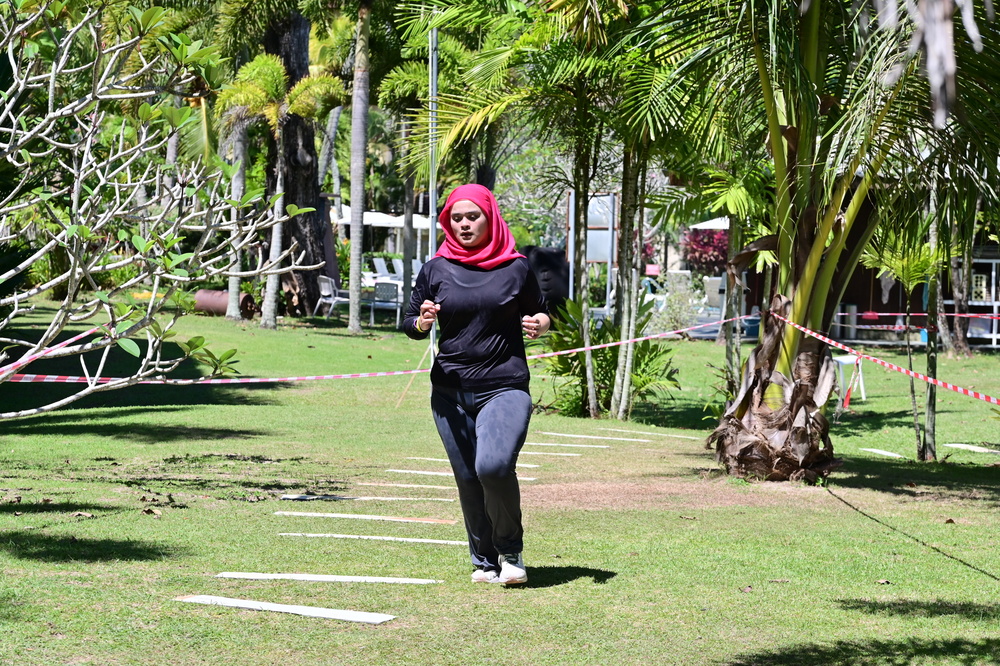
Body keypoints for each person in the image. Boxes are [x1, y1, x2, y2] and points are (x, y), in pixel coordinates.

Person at [404, 183, 550, 585]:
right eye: (456, 218)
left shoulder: (516, 267)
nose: (464, 224)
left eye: (473, 216)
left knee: (493, 466)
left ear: (491, 218)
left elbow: (541, 311)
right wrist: (422, 322)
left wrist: (539, 324)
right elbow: (410, 321)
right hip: (449, 393)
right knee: (468, 477)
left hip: (504, 386)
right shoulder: (435, 269)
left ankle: (511, 552)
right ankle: (484, 561)